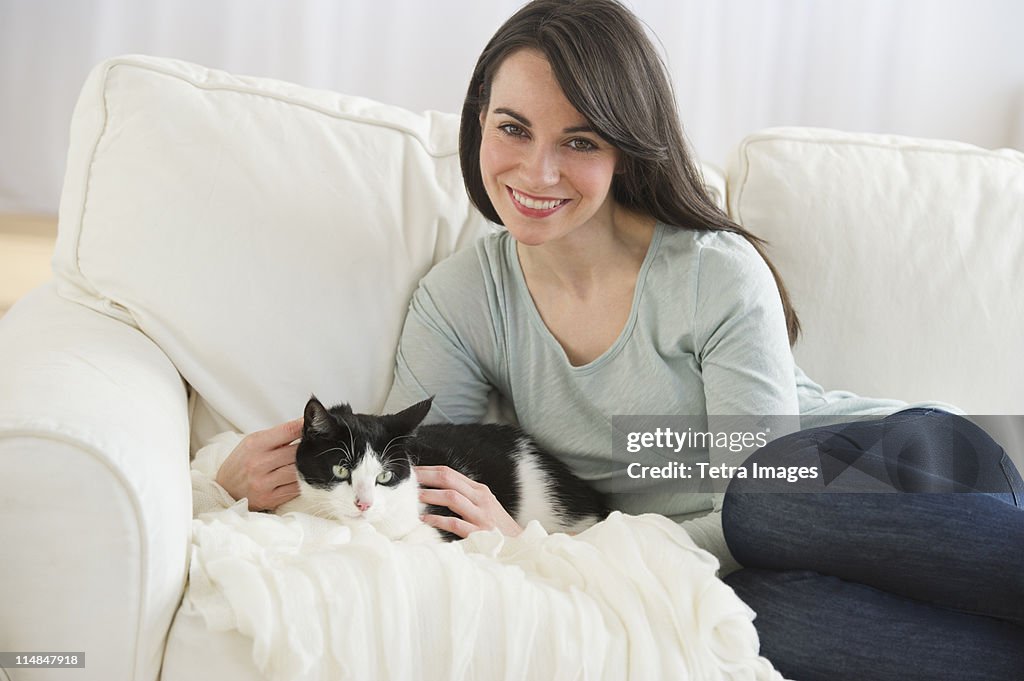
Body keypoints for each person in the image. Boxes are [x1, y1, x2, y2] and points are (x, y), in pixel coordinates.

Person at [213, 0, 1024, 678]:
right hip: (749, 563)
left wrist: (586, 553)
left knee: (761, 505)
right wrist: (247, 477)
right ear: (478, 127)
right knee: (758, 623)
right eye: (513, 128)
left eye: (580, 141)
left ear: (625, 147)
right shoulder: (462, 299)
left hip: (912, 472)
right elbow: (423, 480)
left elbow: (755, 492)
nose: (537, 173)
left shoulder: (711, 272)